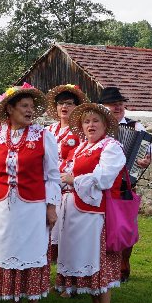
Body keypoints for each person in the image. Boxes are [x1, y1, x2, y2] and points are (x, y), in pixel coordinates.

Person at [0, 83, 60, 303]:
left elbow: (52, 175)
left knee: (32, 253)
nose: (30, 110)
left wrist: (51, 207)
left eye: (32, 106)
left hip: (32, 208)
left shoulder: (43, 136)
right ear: (10, 109)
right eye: (24, 106)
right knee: (7, 251)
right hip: (3, 207)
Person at [56, 103, 126, 303]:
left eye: (95, 121)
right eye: (86, 121)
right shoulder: (82, 147)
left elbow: (103, 178)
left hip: (96, 212)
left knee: (97, 258)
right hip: (77, 209)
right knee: (85, 255)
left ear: (105, 125)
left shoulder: (111, 147)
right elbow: (68, 169)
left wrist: (73, 180)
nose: (90, 125)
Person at [98, 86, 152, 282]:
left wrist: (144, 161)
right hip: (101, 185)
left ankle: (123, 267)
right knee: (101, 226)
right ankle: (100, 265)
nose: (118, 107)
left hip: (124, 184)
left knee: (125, 226)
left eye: (120, 104)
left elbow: (147, 153)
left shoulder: (136, 127)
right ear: (102, 107)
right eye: (113, 104)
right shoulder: (96, 125)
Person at [44, 84, 86, 274]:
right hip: (48, 185)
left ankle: (67, 277)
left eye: (69, 103)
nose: (64, 107)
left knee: (66, 235)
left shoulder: (81, 131)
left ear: (76, 107)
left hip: (68, 187)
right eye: (61, 103)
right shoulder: (48, 130)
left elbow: (80, 158)